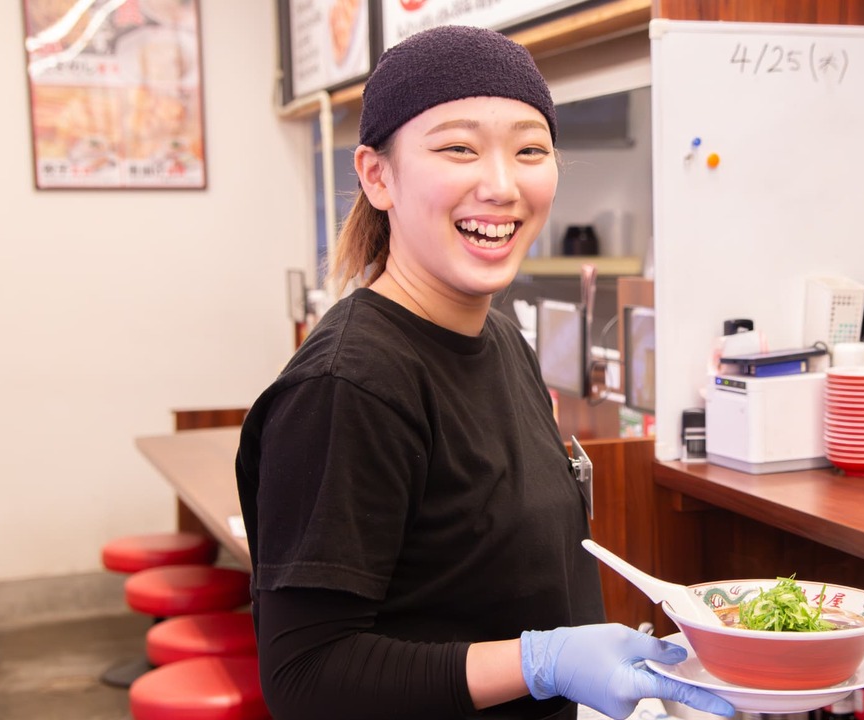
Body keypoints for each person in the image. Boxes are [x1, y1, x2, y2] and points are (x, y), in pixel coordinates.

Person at [234, 25, 735, 720]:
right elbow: (307, 678)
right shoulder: (349, 387)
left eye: (530, 150)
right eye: (458, 149)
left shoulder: (499, 338)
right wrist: (542, 662)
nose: (501, 185)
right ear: (377, 176)